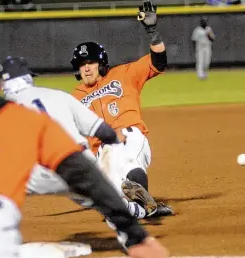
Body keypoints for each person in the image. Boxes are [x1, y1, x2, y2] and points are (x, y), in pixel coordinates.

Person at [0, 48, 169, 258]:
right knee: (93, 189)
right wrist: (133, 233)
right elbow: (81, 170)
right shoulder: (24, 115)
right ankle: (128, 217)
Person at [1, 56, 147, 219]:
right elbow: (100, 129)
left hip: (42, 171)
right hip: (79, 161)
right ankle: (132, 208)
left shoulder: (1, 111)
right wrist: (114, 138)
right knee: (102, 193)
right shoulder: (58, 96)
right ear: (27, 78)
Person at [70, 0, 173, 218]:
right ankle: (144, 207)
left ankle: (141, 199)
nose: (86, 68)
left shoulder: (125, 73)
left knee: (129, 164)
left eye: (90, 62)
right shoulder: (75, 97)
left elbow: (159, 61)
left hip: (129, 136)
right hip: (103, 153)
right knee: (113, 201)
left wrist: (152, 31)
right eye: (81, 64)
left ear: (101, 63)